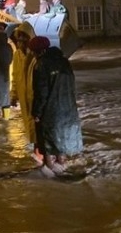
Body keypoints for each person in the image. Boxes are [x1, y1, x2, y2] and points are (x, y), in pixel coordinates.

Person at [30, 36, 83, 175]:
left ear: (37, 51)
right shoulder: (64, 62)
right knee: (61, 142)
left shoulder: (40, 65)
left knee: (47, 143)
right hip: (68, 108)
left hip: (51, 110)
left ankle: (50, 172)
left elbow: (41, 92)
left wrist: (37, 112)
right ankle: (62, 167)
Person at [9, 22, 43, 164]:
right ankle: (38, 157)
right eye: (19, 38)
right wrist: (13, 96)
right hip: (24, 98)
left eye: (24, 37)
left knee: (38, 128)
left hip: (35, 97)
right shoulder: (17, 55)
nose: (21, 41)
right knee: (30, 128)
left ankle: (41, 157)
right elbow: (15, 77)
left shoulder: (35, 56)